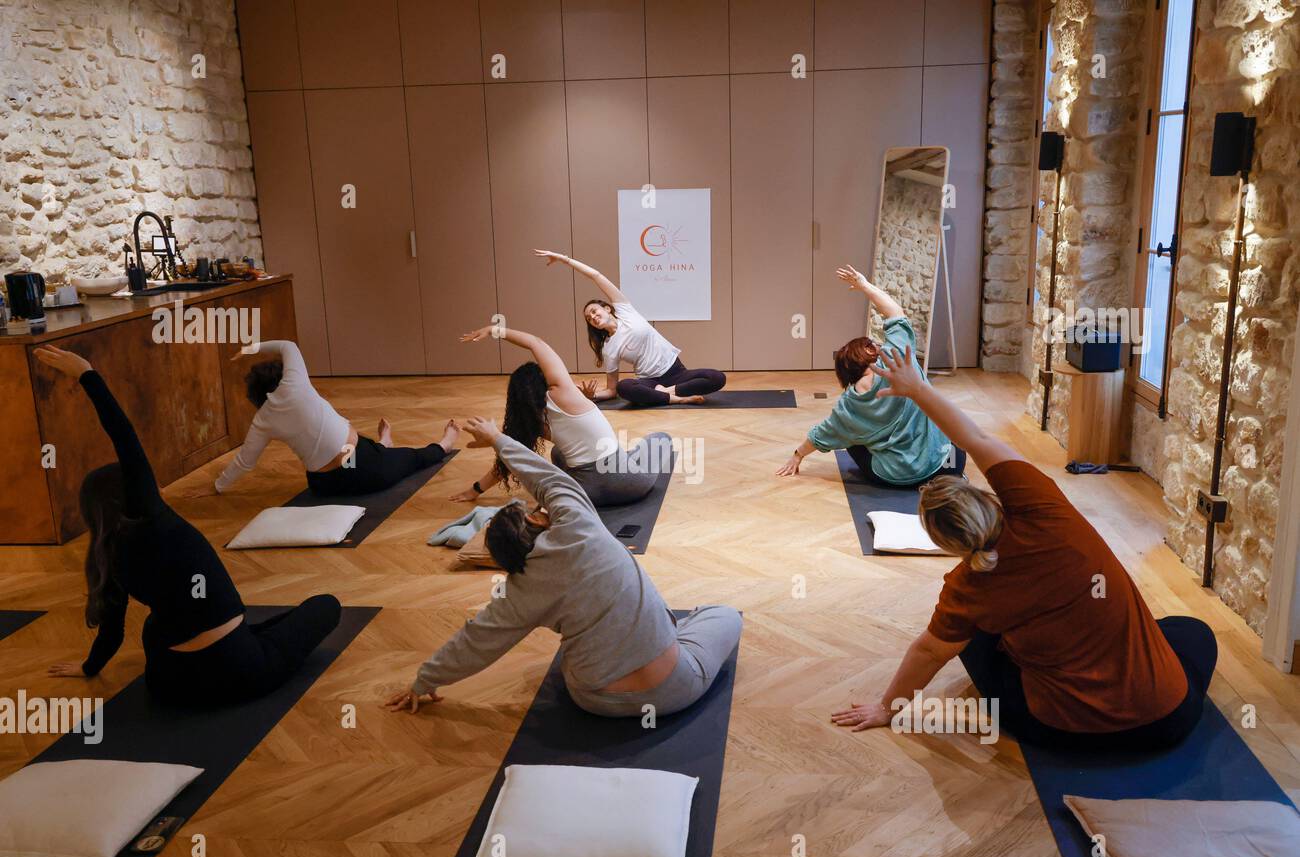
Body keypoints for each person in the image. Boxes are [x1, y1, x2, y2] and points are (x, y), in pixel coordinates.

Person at [831, 343, 1215, 751]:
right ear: (988, 499)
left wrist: (886, 708)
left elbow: (929, 651)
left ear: (945, 544)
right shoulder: (1043, 508)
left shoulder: (967, 588)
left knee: (972, 640)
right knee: (1193, 632)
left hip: (1068, 734)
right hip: (1169, 719)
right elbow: (975, 437)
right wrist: (918, 389)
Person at [34, 346, 341, 706]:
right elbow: (124, 436)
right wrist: (87, 373)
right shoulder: (153, 518)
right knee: (326, 606)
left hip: (170, 686)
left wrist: (89, 668)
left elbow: (112, 631)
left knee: (160, 622)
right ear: (131, 495)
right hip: (242, 670)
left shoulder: (107, 559)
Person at [385, 417, 741, 718]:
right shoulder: (577, 524)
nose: (539, 508)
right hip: (673, 688)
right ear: (538, 521)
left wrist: (423, 681)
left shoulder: (519, 592)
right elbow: (547, 479)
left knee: (580, 638)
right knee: (723, 615)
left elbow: (476, 641)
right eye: (535, 510)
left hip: (595, 701)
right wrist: (497, 439)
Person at [778, 266, 965, 486]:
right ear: (866, 351)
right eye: (871, 344)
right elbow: (895, 313)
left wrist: (797, 455)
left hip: (895, 477)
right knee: (950, 430)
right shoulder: (898, 357)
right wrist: (864, 285)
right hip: (945, 467)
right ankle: (950, 476)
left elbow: (824, 433)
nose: (877, 344)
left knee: (850, 438)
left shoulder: (848, 405)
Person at [451, 324, 667, 508]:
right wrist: (494, 329)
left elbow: (508, 459)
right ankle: (625, 458)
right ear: (543, 381)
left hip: (585, 494)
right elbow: (536, 343)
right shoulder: (562, 391)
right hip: (628, 486)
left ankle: (620, 460)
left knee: (558, 453)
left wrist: (475, 490)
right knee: (660, 439)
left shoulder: (530, 423)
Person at [215, 339, 459, 496]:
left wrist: (217, 486)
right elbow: (287, 346)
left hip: (323, 485)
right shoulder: (295, 382)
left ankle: (383, 446)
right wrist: (250, 348)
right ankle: (444, 444)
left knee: (353, 442)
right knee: (412, 458)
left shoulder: (262, 420)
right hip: (365, 470)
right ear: (283, 376)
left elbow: (245, 461)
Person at [534, 249, 727, 407]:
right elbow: (612, 391)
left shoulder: (625, 310)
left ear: (607, 308)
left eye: (594, 311)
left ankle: (665, 393)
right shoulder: (609, 348)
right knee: (624, 387)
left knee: (716, 377)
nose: (592, 317)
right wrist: (592, 396)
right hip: (649, 380)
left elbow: (595, 276)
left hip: (676, 372)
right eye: (589, 318)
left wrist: (565, 259)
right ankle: (677, 398)